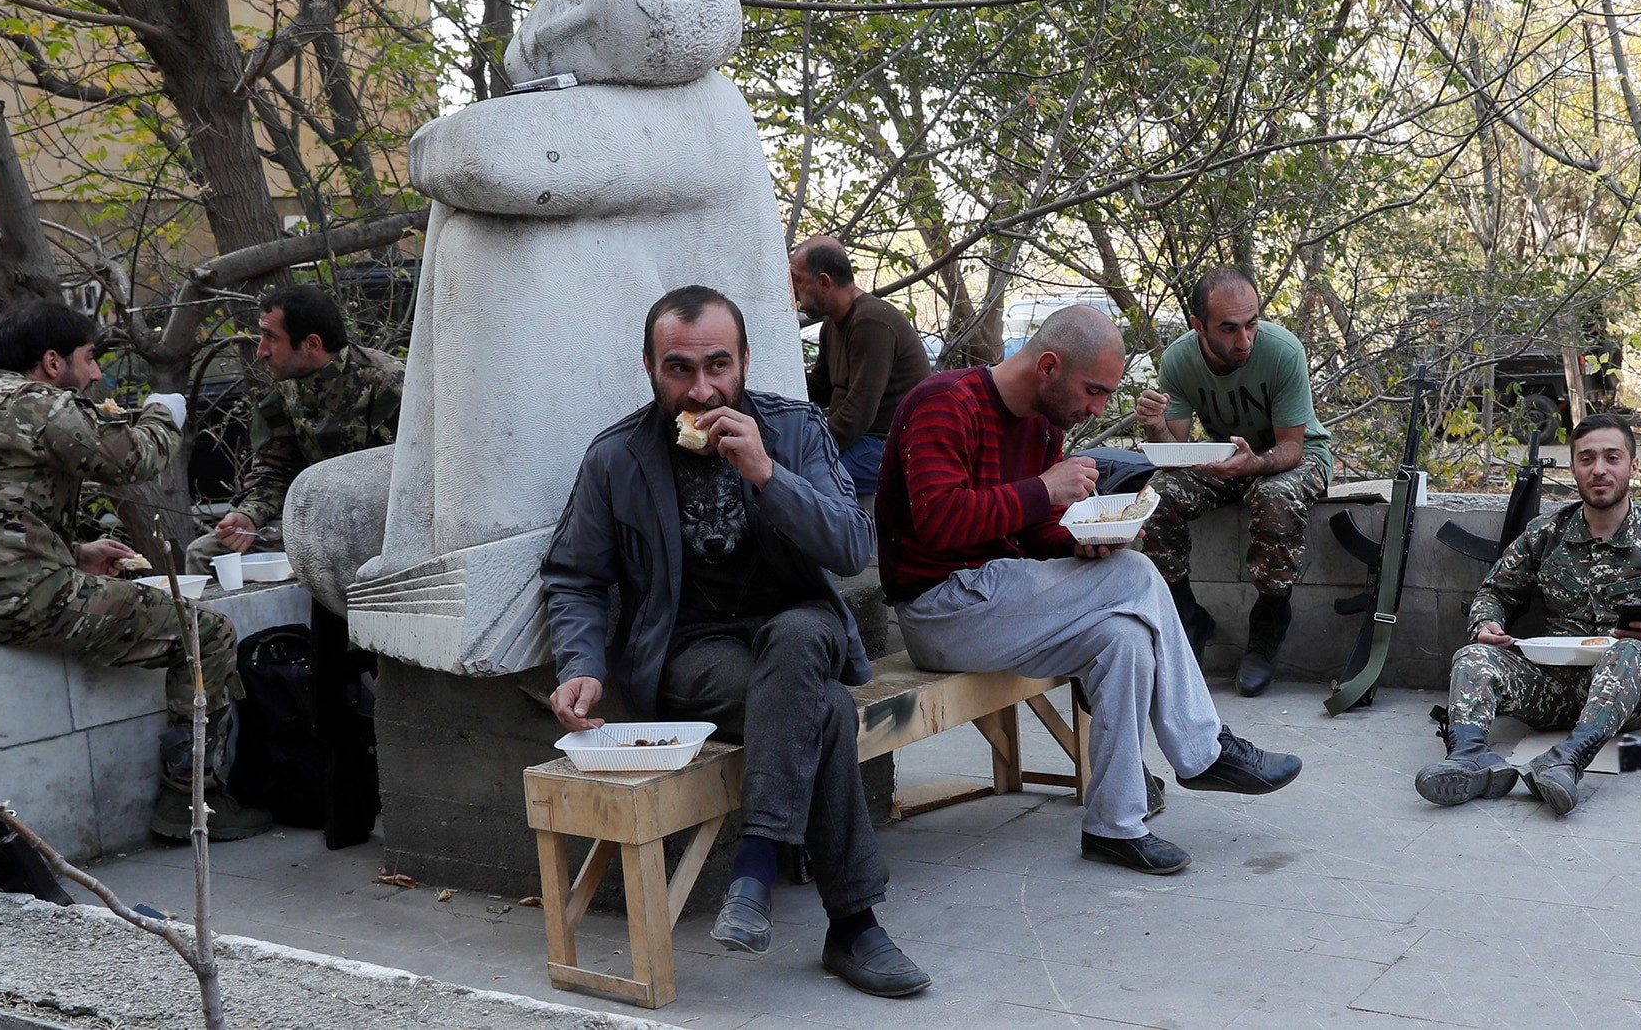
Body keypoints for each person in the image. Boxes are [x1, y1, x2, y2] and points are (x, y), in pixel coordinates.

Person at [539, 285, 928, 998]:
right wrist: (581, 665)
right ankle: (853, 924)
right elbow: (575, 576)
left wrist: (768, 476)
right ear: (650, 367)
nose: (701, 389)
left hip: (797, 629)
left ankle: (756, 863)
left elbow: (852, 546)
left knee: (802, 638)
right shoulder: (617, 457)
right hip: (693, 653)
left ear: (746, 360)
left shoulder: (794, 430)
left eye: (718, 365)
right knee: (824, 710)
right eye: (679, 369)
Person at [878, 304, 1302, 876]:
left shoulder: (1043, 426)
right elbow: (938, 521)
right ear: (1048, 366)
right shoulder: (944, 403)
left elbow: (1034, 530)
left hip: (1003, 603)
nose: (1099, 409)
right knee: (1136, 576)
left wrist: (1085, 539)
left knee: (1125, 638)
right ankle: (1204, 750)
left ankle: (1115, 826)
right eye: (1094, 391)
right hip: (942, 607)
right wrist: (1044, 488)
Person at [0, 301, 269, 841]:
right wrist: (163, 413)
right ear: (53, 362)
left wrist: (73, 554)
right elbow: (131, 460)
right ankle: (190, 799)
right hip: (15, 601)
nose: (95, 375)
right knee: (207, 632)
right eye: (89, 359)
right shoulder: (36, 402)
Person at [1414, 414, 1641, 815]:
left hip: (1626, 692)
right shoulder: (1546, 533)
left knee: (1630, 651)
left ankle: (1566, 760)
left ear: (1633, 466)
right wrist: (1486, 624)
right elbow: (1495, 592)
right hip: (1550, 686)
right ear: (1573, 469)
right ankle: (1469, 757)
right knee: (1472, 656)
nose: (1599, 469)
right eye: (1586, 459)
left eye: (1612, 458)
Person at [1133, 267, 1334, 696]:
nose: (1244, 340)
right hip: (1227, 458)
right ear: (1198, 326)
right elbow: (1174, 454)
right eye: (1229, 328)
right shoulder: (1179, 360)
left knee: (1274, 495)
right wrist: (1154, 424)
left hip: (1297, 458)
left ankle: (1269, 623)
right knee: (1157, 495)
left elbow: (1292, 448)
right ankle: (1186, 615)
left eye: (1251, 324)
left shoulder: (1282, 351)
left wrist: (1252, 465)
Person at [188, 285, 404, 570]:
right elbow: (274, 470)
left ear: (312, 344)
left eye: (271, 337)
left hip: (383, 528)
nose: (261, 352)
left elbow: (411, 475)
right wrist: (249, 516)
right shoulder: (282, 390)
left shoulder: (387, 383)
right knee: (204, 554)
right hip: (314, 527)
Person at [790, 236, 933, 497]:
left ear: (824, 282)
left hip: (890, 448)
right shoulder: (832, 324)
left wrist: (801, 446)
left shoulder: (871, 322)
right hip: (862, 442)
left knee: (797, 475)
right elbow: (819, 388)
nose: (793, 290)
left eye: (797, 280)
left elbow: (855, 418)